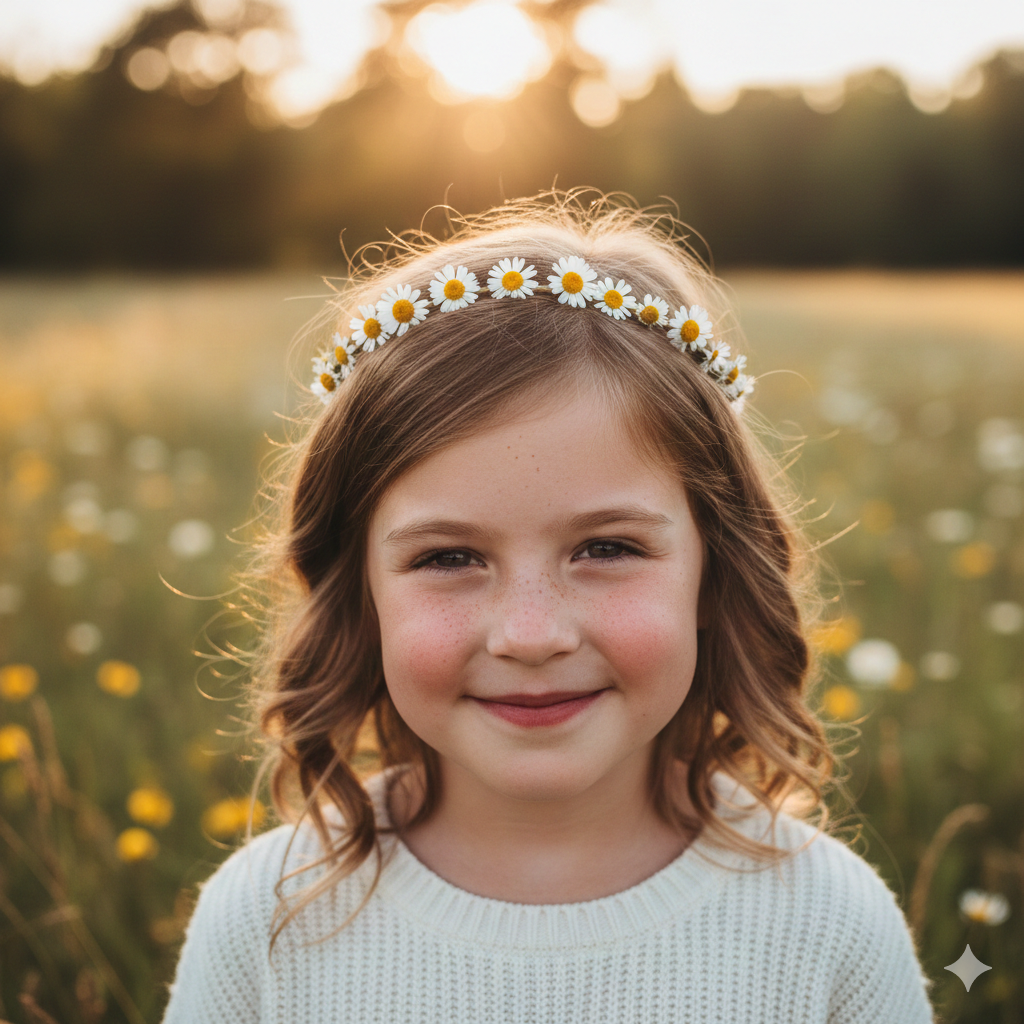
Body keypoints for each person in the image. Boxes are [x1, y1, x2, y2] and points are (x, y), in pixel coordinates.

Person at [161, 192, 937, 1023]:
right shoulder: (266, 922)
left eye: (606, 549)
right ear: (361, 594)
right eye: (449, 558)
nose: (531, 636)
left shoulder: (828, 925)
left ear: (715, 572)